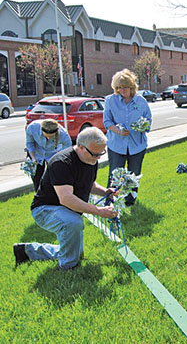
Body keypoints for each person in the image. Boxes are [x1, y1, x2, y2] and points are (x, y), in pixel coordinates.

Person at [13, 127, 118, 270]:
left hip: (67, 209)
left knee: (75, 252)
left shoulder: (91, 159)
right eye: (95, 154)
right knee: (73, 222)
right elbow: (66, 199)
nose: (98, 158)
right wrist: (98, 211)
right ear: (81, 147)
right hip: (45, 209)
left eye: (101, 153)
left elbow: (89, 184)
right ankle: (68, 267)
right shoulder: (61, 162)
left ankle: (26, 251)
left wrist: (105, 192)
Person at [103, 69, 152, 206]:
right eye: (118, 87)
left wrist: (143, 127)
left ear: (131, 86)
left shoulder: (140, 101)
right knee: (115, 176)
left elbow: (148, 119)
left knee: (134, 175)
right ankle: (110, 202)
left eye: (124, 87)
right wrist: (118, 131)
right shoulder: (110, 100)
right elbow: (107, 122)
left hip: (137, 146)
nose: (121, 90)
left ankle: (130, 201)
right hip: (116, 145)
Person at [25, 118, 72, 191]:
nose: (48, 138)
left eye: (51, 136)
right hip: (37, 153)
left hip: (53, 154)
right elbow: (29, 143)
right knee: (37, 177)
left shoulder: (64, 134)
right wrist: (33, 158)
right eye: (46, 136)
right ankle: (38, 196)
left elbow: (67, 152)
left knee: (54, 176)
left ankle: (52, 195)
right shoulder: (32, 128)